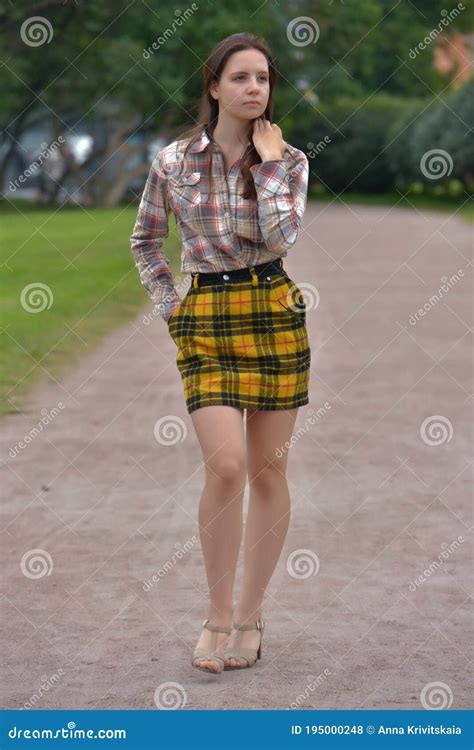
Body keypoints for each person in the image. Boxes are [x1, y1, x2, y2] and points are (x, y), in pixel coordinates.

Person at [130, 32, 311, 673]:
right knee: (227, 465)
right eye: (240, 77)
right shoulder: (173, 161)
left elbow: (282, 234)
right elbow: (146, 240)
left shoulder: (288, 160)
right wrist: (172, 310)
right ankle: (216, 612)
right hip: (205, 317)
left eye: (263, 78)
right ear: (214, 87)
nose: (254, 88)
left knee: (268, 471)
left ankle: (251, 615)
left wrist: (264, 165)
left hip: (273, 311)